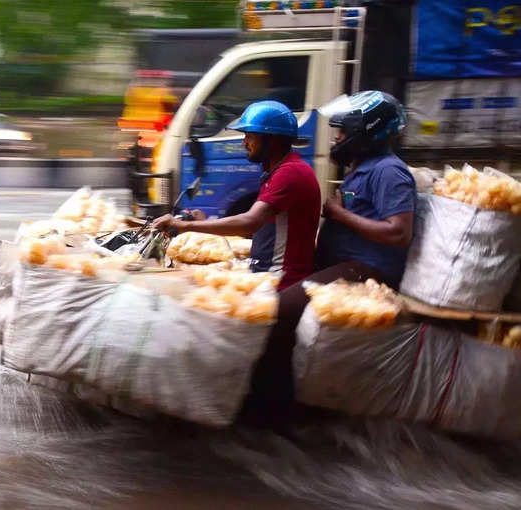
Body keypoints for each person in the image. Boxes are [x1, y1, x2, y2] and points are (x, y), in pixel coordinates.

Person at [246, 90, 417, 423]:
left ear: (368, 131)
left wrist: (339, 215)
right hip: (343, 266)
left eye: (343, 130)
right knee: (275, 304)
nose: (337, 137)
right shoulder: (364, 168)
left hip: (366, 271)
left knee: (277, 312)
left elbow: (399, 232)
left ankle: (277, 411)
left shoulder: (389, 171)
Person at [152, 100, 321, 290]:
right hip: (265, 276)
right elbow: (257, 227)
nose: (244, 143)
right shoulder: (278, 171)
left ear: (272, 139)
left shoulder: (290, 173)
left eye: (250, 136)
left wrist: (183, 225)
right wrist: (205, 223)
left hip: (279, 282)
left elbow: (250, 222)